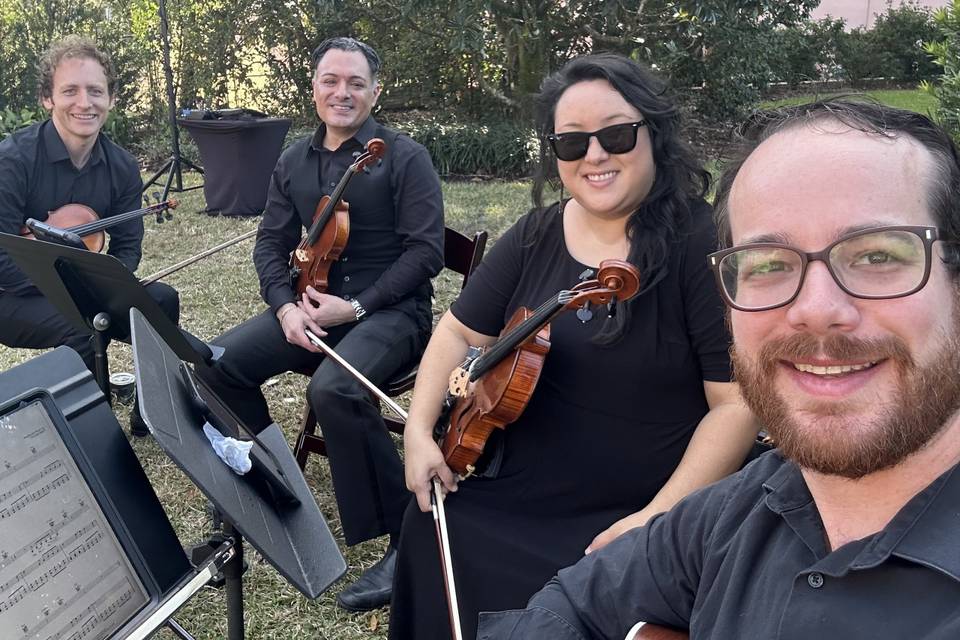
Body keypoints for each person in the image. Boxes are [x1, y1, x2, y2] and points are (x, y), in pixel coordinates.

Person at [475, 98, 960, 639]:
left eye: (877, 256)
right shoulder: (742, 506)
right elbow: (567, 608)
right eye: (769, 264)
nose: (816, 311)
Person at [390, 53, 760, 640]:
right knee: (434, 525)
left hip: (637, 504)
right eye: (571, 143)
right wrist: (417, 433)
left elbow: (737, 404)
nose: (594, 155)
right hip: (522, 485)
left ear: (654, 135)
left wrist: (653, 520)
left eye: (615, 134)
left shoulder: (698, 243)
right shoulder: (537, 234)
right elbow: (459, 332)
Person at [195, 37, 444, 611]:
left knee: (334, 388)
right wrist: (285, 307)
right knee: (215, 367)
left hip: (390, 315)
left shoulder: (405, 158)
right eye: (331, 80)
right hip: (309, 310)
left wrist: (356, 308)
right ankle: (267, 482)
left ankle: (410, 537)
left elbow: (426, 252)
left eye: (356, 82)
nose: (342, 92)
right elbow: (270, 245)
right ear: (313, 89)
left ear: (375, 91)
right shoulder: (293, 161)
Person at [0, 35, 179, 435]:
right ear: (48, 98)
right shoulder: (13, 159)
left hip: (82, 290)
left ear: (110, 99)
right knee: (83, 327)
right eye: (70, 91)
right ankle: (98, 439)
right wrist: (67, 289)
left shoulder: (120, 166)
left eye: (96, 91)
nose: (85, 103)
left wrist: (105, 284)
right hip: (10, 298)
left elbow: (128, 247)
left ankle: (152, 417)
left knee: (162, 301)